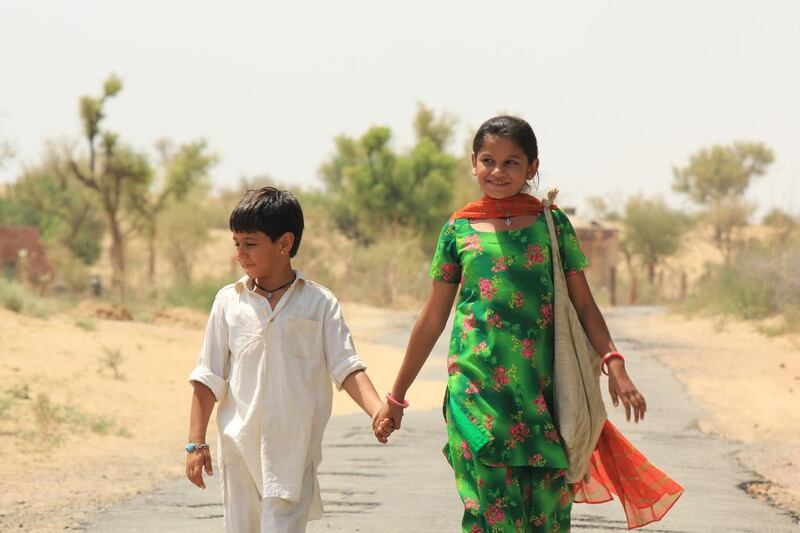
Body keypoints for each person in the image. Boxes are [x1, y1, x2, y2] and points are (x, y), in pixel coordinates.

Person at [373, 116, 682, 531]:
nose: (498, 172)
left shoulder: (552, 226)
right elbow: (432, 318)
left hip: (544, 396)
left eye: (511, 163)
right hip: (475, 390)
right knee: (489, 512)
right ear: (473, 163)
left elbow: (585, 306)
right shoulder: (457, 230)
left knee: (546, 517)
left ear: (532, 168)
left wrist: (615, 362)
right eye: (488, 160)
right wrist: (397, 396)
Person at [186, 186, 391, 533]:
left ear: (284, 243)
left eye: (250, 243)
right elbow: (208, 378)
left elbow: (347, 366)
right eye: (236, 243)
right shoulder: (228, 302)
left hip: (293, 452)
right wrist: (195, 444)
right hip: (238, 450)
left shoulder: (319, 304)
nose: (240, 253)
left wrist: (376, 411)